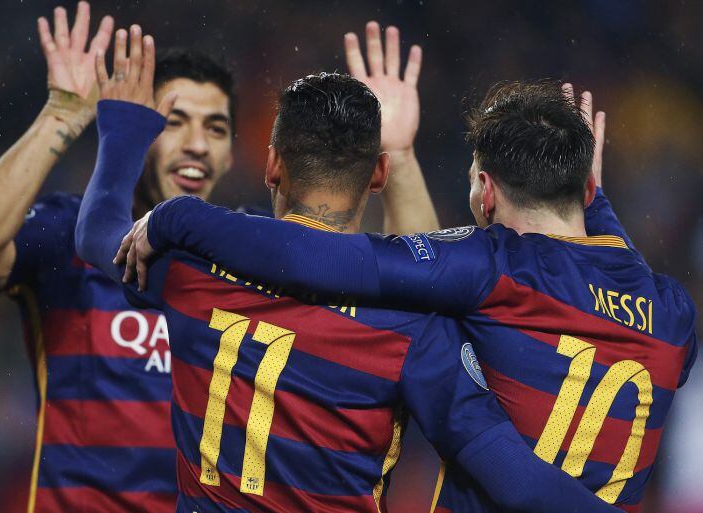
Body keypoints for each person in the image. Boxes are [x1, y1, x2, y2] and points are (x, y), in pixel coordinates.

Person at [76, 26, 623, 513]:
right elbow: (509, 472)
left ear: (271, 165)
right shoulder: (414, 326)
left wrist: (123, 128)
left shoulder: (193, 269)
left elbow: (96, 232)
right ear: (378, 174)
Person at [0, 6, 438, 512]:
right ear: (140, 131)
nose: (196, 145)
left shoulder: (252, 259)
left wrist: (400, 153)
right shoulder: (70, 228)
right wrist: (62, 114)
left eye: (216, 129)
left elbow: (416, 290)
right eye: (172, 122)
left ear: (241, 156)